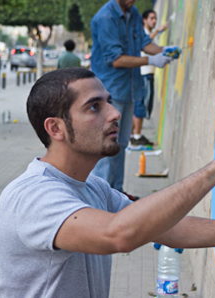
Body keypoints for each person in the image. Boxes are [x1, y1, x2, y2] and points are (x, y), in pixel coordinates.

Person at [0, 67, 215, 298]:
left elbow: (171, 228)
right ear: (55, 128)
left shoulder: (93, 188)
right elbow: (117, 235)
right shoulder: (32, 196)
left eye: (108, 101)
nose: (115, 113)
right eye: (94, 107)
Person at [90, 0, 179, 200]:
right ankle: (99, 200)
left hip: (129, 89)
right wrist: (151, 60)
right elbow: (116, 59)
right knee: (106, 146)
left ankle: (116, 194)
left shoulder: (134, 13)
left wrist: (163, 50)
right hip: (110, 92)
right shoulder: (106, 18)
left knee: (120, 144)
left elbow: (143, 44)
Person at [131, 9, 169, 146]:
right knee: (141, 105)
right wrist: (160, 30)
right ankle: (136, 136)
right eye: (152, 18)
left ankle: (134, 135)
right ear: (144, 20)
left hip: (146, 72)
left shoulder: (144, 32)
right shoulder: (144, 32)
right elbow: (147, 43)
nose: (154, 21)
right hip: (144, 72)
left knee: (142, 105)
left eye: (155, 18)